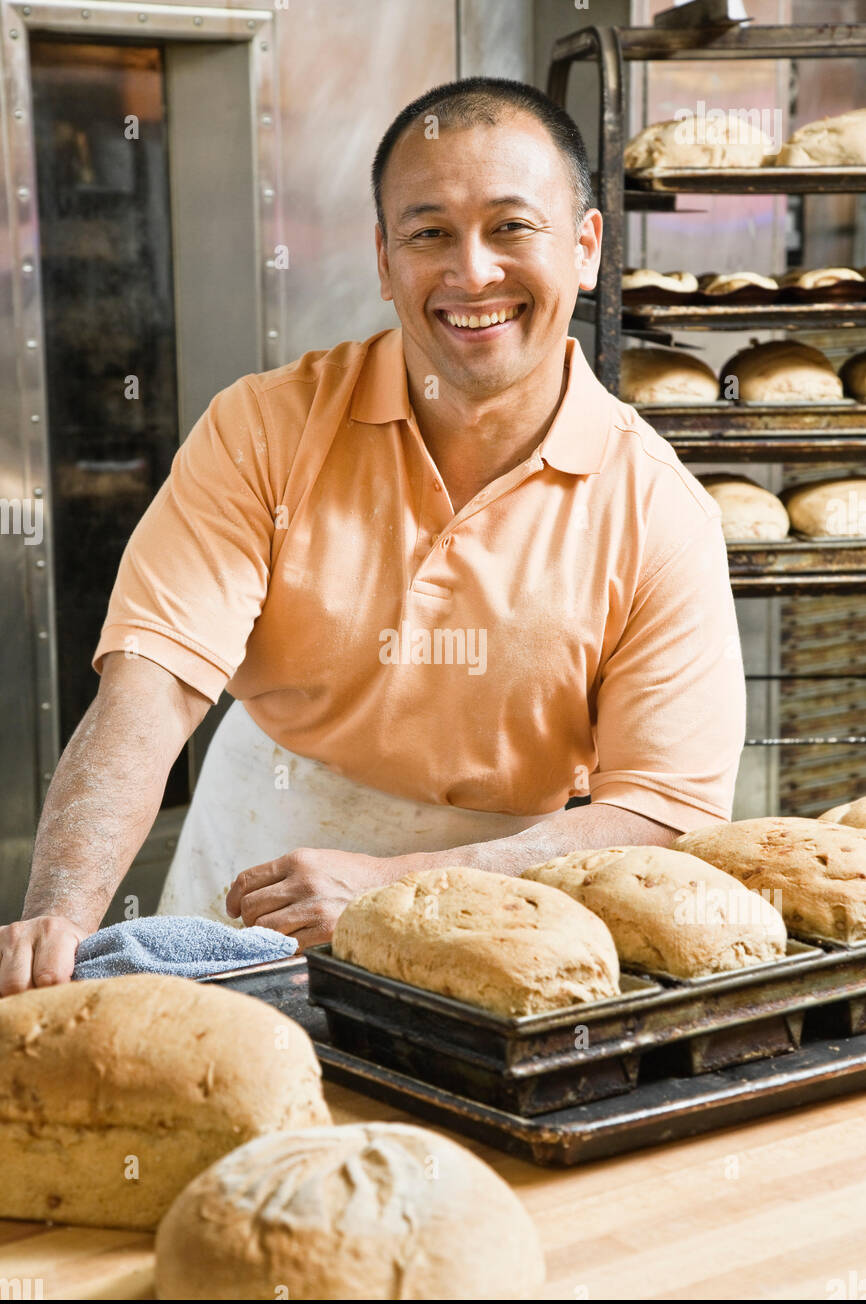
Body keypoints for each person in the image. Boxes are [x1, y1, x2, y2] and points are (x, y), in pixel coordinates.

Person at [0, 77, 745, 996]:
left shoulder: (657, 509)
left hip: (505, 898)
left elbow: (661, 812)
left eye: (512, 227)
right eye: (429, 232)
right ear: (385, 260)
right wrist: (61, 916)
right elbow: (150, 690)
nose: (472, 273)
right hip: (254, 866)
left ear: (586, 249)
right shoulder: (263, 430)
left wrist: (401, 888)